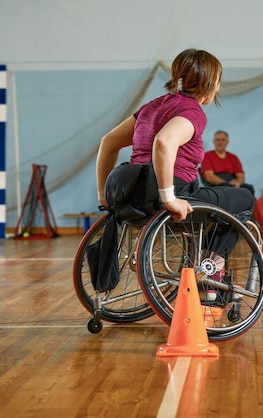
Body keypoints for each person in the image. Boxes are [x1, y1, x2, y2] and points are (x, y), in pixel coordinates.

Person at [96, 48, 254, 301]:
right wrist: (169, 198)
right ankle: (210, 268)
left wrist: (103, 196)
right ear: (212, 84)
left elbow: (108, 142)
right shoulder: (192, 112)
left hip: (132, 197)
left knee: (218, 197)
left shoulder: (150, 108)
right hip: (171, 193)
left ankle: (202, 263)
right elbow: (163, 142)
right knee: (245, 198)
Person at [200, 130, 255, 195]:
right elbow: (209, 177)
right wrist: (227, 183)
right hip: (217, 184)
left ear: (227, 142)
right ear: (214, 141)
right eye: (218, 140)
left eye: (223, 140)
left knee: (248, 188)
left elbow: (240, 175)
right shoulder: (207, 156)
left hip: (232, 182)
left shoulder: (233, 157)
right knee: (228, 190)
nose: (220, 142)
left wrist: (237, 183)